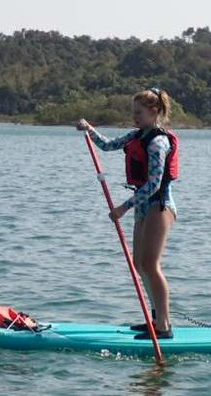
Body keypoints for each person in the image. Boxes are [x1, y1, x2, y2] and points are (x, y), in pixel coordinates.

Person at [76, 88, 180, 339]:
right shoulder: (136, 135)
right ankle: (154, 320)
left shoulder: (158, 142)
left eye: (139, 113)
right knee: (139, 264)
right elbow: (107, 145)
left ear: (154, 112)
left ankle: (164, 325)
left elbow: (154, 184)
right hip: (143, 205)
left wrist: (123, 207)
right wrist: (89, 129)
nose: (135, 117)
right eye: (133, 112)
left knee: (151, 265)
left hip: (159, 205)